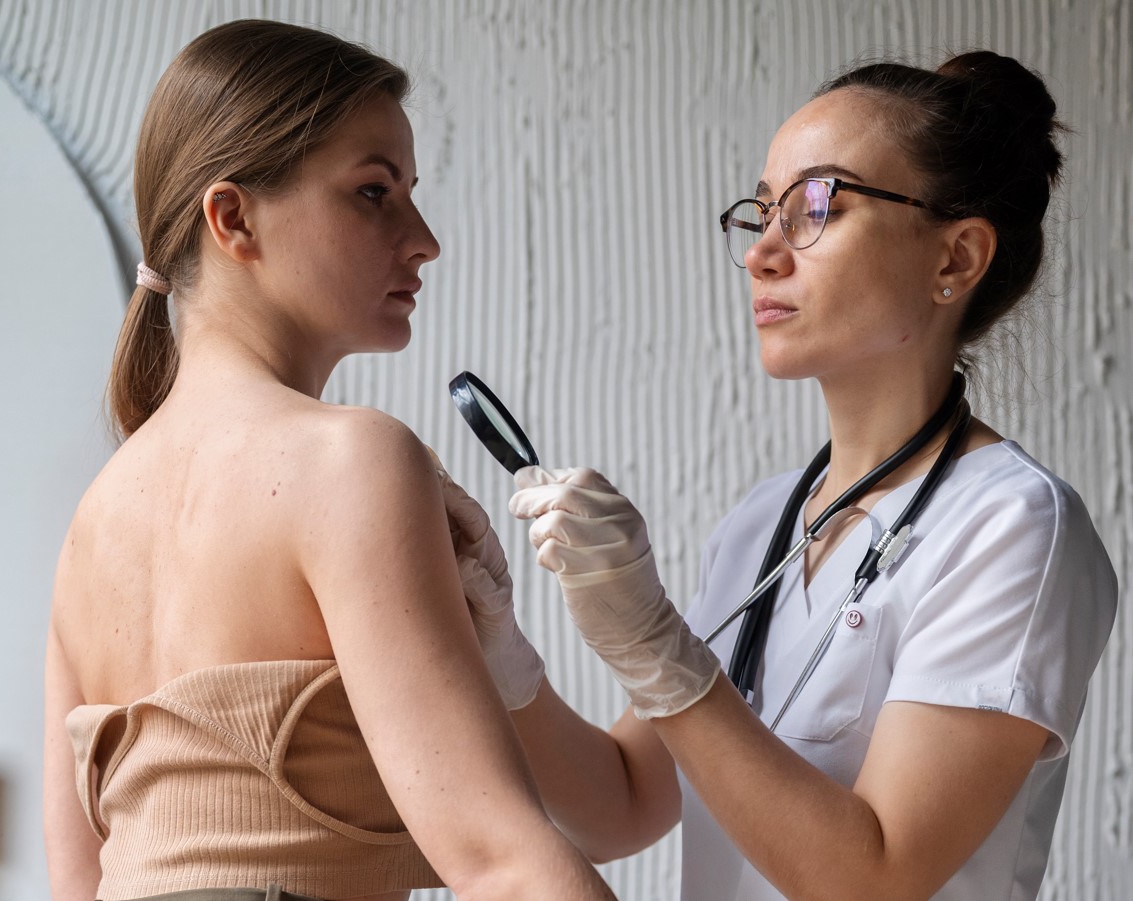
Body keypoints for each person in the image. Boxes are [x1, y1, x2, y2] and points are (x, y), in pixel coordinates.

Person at [443, 50, 1119, 900]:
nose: (763, 252)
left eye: (816, 206)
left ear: (955, 258)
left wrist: (651, 644)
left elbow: (872, 878)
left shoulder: (1012, 525)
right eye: (762, 211)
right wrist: (502, 659)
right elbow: (620, 804)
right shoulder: (763, 522)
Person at [42, 19, 616, 901]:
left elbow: (75, 883)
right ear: (233, 218)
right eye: (373, 191)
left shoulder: (91, 524)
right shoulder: (351, 460)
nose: (422, 238)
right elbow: (498, 859)